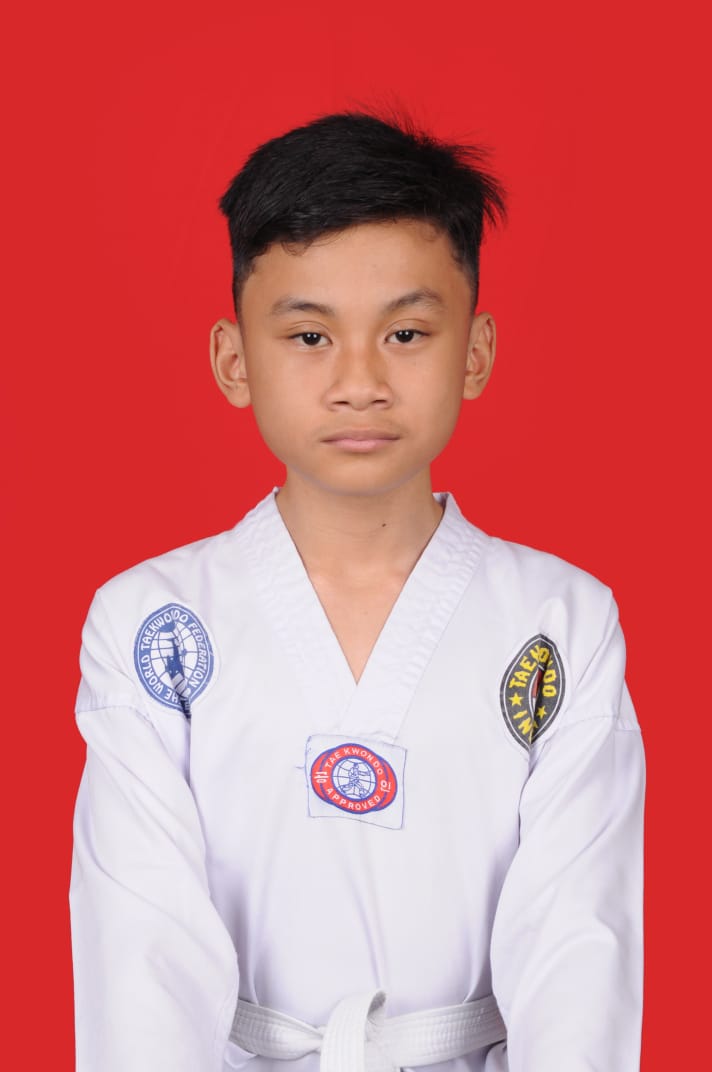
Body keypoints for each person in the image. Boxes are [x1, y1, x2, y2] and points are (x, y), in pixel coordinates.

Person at [70, 111, 645, 1072]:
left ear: (476, 351)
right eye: (309, 336)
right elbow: (140, 948)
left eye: (407, 332)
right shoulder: (152, 622)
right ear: (233, 360)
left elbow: (578, 948)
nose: (360, 382)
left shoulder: (561, 622)